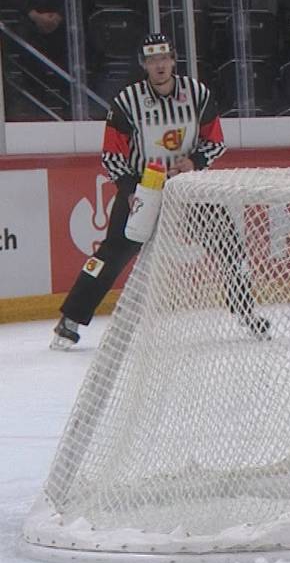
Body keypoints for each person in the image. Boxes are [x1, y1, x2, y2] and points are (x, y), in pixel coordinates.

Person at [51, 33, 264, 349]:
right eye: (152, 60)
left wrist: (194, 161)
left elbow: (216, 141)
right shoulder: (127, 101)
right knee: (111, 253)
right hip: (144, 188)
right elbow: (112, 154)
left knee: (229, 243)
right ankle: (70, 320)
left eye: (164, 58)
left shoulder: (197, 94)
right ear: (144, 65)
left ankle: (246, 312)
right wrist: (128, 188)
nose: (159, 65)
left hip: (189, 187)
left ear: (173, 60)